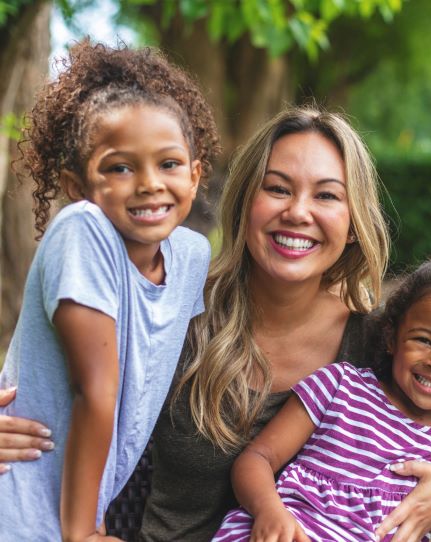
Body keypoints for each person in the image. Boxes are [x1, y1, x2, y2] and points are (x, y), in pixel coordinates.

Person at [0, 107, 431, 542]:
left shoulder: (380, 345)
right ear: (246, 200)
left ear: (355, 223)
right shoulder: (178, 306)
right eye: (277, 188)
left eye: (327, 195)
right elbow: (63, 384)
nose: (298, 212)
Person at [0, 39, 219, 541]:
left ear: (194, 175)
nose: (148, 183)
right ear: (77, 186)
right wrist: (83, 532)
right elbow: (94, 391)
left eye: (168, 163)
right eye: (119, 167)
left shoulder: (189, 256)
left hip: (72, 505)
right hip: (20, 504)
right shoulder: (83, 230)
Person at [212, 255, 431, 542]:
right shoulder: (339, 387)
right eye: (424, 340)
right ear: (391, 337)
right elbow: (257, 459)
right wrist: (269, 511)